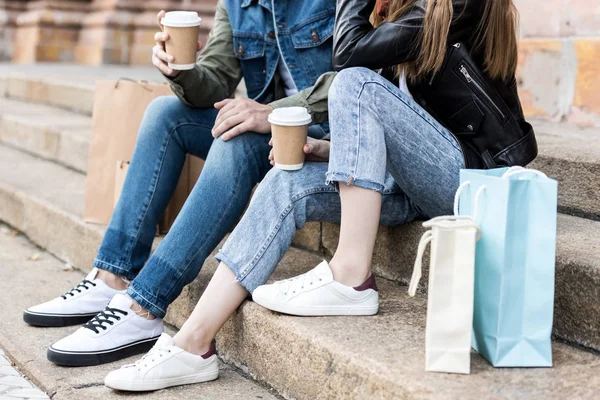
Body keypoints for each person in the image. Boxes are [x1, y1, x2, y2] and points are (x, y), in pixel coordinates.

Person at [101, 0, 535, 392]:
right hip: (412, 182)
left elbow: (349, 62)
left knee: (355, 84)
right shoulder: (401, 8)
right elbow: (400, 126)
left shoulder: (461, 3)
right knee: (286, 180)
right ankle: (192, 345)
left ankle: (350, 276)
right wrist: (328, 150)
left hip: (473, 181)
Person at [23, 0, 337, 368]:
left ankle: (144, 306)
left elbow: (357, 77)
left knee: (233, 139)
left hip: (324, 135)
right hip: (264, 130)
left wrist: (271, 112)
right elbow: (217, 78)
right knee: (165, 113)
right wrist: (181, 72)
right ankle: (113, 275)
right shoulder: (237, 4)